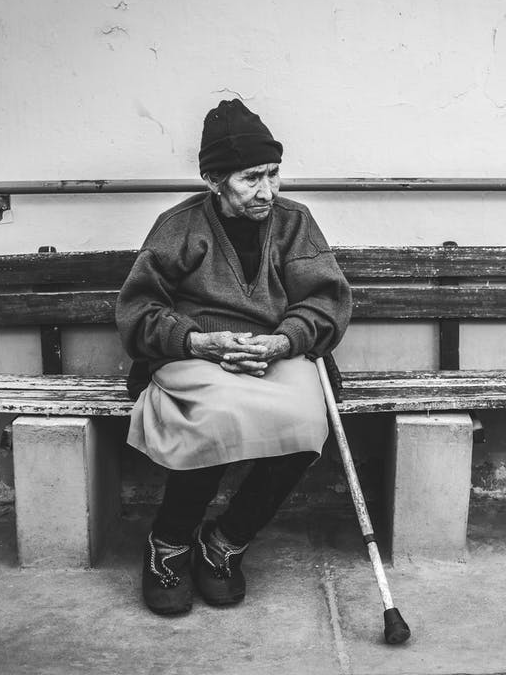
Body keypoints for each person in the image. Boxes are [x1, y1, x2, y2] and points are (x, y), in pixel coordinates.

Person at [115, 99, 352, 616]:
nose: (267, 190)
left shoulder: (294, 223)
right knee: (215, 419)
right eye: (250, 178)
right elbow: (139, 311)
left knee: (307, 422)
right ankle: (169, 544)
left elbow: (325, 300)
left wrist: (283, 341)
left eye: (273, 174)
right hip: (194, 352)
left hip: (275, 352)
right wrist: (200, 343)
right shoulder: (178, 226)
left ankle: (224, 542)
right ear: (213, 180)